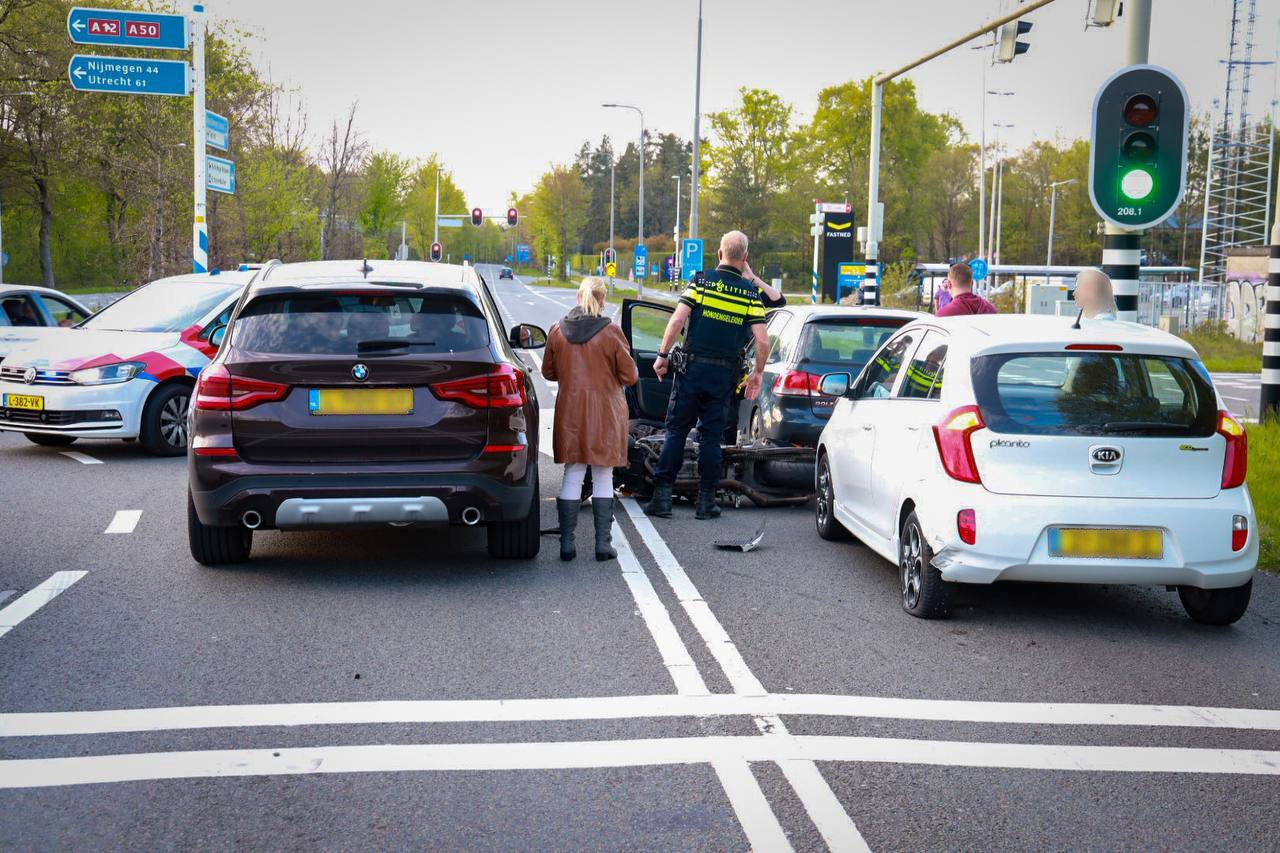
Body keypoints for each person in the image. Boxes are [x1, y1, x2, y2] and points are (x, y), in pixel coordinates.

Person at [642, 230, 770, 520]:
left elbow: (678, 319)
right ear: (745, 258)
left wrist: (662, 356)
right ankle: (706, 502)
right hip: (723, 376)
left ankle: (662, 498)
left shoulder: (700, 282)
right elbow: (762, 341)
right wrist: (758, 373)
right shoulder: (750, 294)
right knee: (711, 436)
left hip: (691, 370)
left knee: (676, 430)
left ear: (719, 254)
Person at [541, 277, 638, 562]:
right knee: (603, 474)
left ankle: (567, 544)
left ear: (577, 297)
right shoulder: (611, 332)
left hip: (570, 411)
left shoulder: (557, 330)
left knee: (573, 472)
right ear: (603, 300)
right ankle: (602, 545)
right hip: (605, 411)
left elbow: (548, 372)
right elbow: (630, 376)